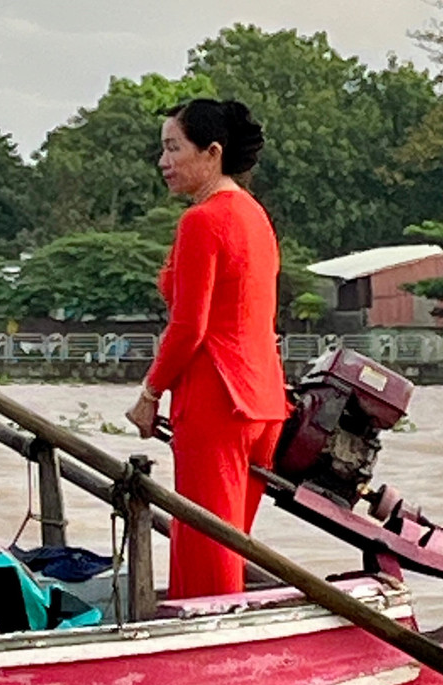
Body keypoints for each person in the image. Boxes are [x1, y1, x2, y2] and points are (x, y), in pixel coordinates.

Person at [126, 98, 288, 599]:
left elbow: (189, 327)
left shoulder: (202, 220)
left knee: (204, 547)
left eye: (174, 148)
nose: (164, 162)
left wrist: (150, 393)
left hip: (217, 398)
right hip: (264, 403)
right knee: (228, 543)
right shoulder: (255, 216)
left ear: (211, 152)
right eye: (162, 149)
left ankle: (208, 659)